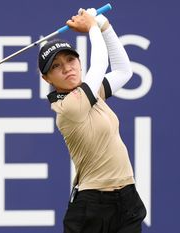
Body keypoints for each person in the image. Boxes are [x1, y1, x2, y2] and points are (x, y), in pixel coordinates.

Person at [37, 9, 147, 233]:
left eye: (70, 59)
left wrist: (104, 25)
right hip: (93, 206)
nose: (67, 67)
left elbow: (123, 71)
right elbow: (98, 66)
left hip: (127, 198)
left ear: (78, 61)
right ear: (46, 78)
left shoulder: (93, 92)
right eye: (56, 66)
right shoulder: (68, 107)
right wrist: (92, 28)